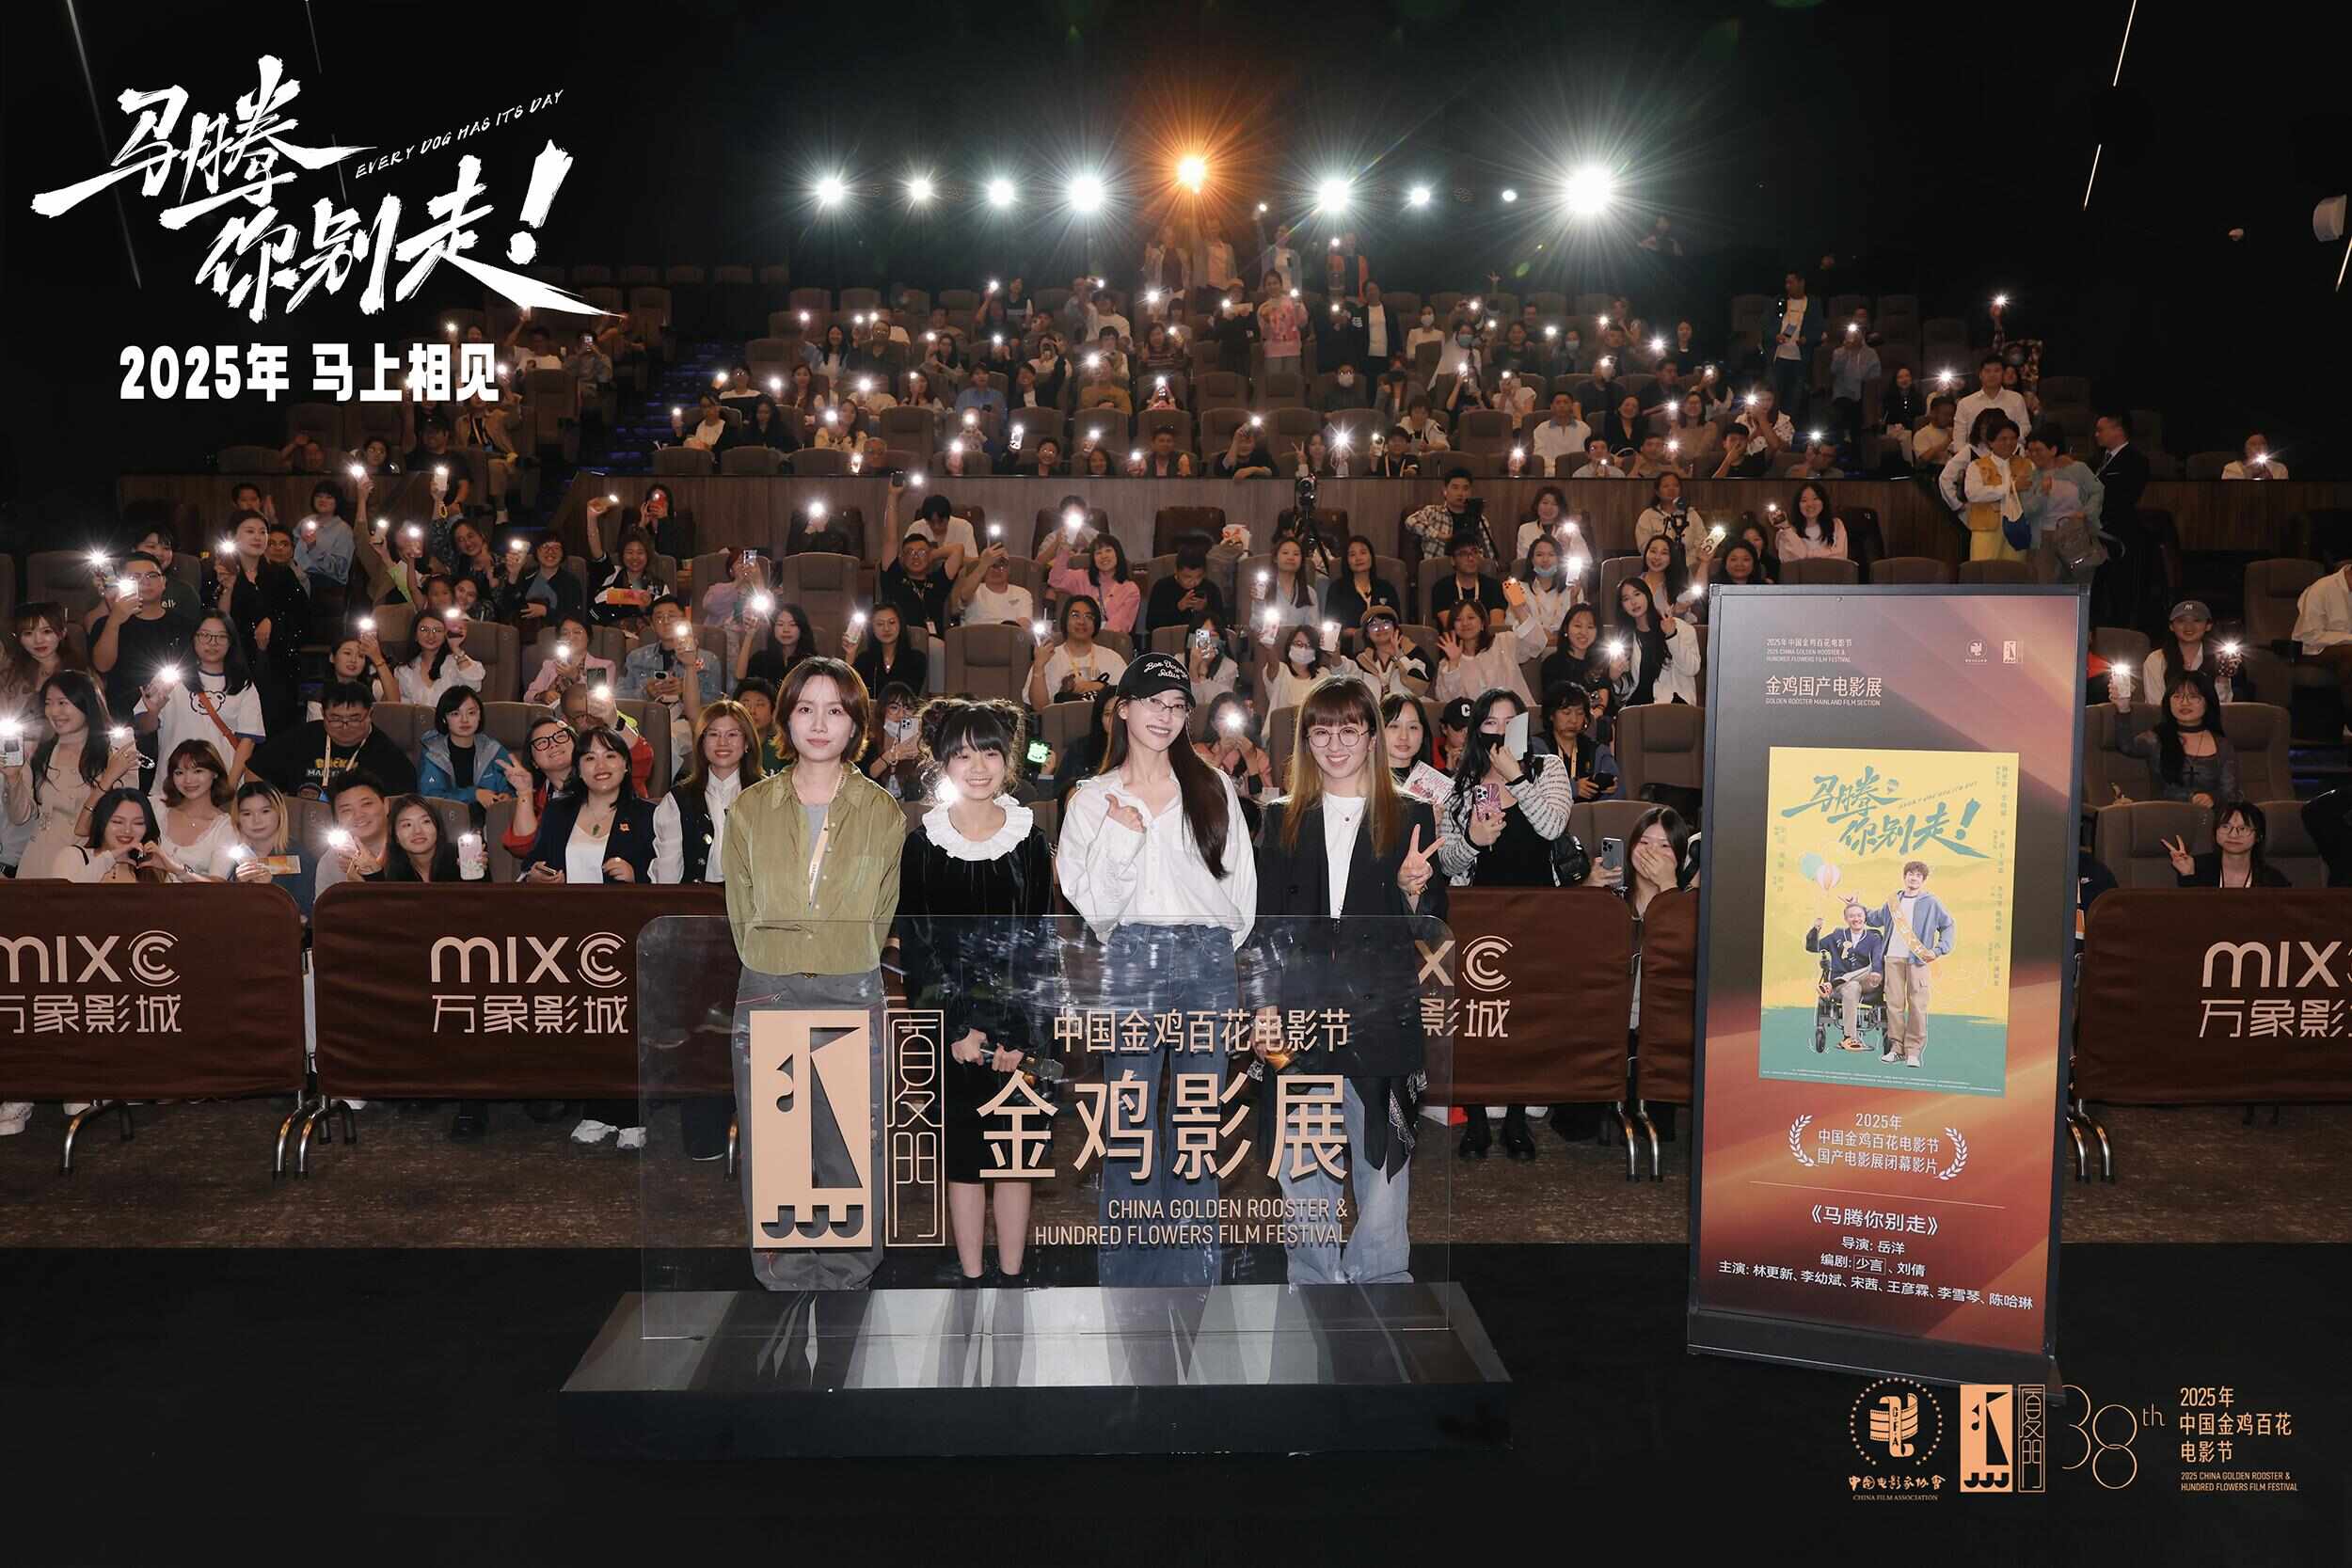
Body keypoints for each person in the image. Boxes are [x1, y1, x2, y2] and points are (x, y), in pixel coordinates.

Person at [1058, 655, 1257, 1285]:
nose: (1165, 716)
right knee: (1130, 1121)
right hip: (1131, 958)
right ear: (1123, 708)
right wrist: (1122, 836)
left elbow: (1242, 892)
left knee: (1197, 1122)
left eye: (1177, 706)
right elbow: (1093, 909)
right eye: (1152, 702)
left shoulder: (1212, 785)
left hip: (1207, 958)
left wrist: (1212, 949)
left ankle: (1193, 1275)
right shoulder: (1092, 799)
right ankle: (1129, 1277)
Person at [1247, 677, 1443, 1285]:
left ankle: (1380, 1282)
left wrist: (1413, 891)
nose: (1335, 745)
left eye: (1349, 731)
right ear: (1306, 741)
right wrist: (1262, 1007)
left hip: (1382, 1017)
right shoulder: (1282, 816)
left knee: (1382, 1167)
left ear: (1371, 738)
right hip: (1300, 1016)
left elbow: (1433, 926)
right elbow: (1263, 927)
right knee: (1303, 1164)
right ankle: (1312, 1282)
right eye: (1322, 732)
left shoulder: (1409, 813)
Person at [718, 658, 905, 1289]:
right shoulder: (750, 808)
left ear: (856, 724)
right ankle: (785, 1268)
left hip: (850, 985)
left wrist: (836, 953)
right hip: (769, 987)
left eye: (835, 710)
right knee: (775, 1143)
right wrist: (779, 958)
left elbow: (882, 910)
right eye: (805, 709)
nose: (819, 723)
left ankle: (851, 1266)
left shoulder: (882, 811)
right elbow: (740, 911)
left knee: (850, 1141)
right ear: (785, 719)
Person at [892, 699, 1056, 1283]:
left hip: (1019, 1031)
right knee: (962, 1158)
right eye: (963, 754)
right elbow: (918, 946)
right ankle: (970, 1275)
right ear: (942, 762)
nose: (978, 766)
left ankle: (1011, 1275)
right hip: (952, 1032)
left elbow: (1041, 944)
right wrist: (958, 1028)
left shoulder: (1030, 840)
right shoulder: (923, 845)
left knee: (1014, 1156)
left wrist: (1019, 1035)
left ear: (1008, 760)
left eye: (989, 752)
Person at [1433, 688, 1579, 1159]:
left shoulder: (1547, 769)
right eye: (1490, 723)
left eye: (1509, 722)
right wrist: (1473, 840)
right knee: (1478, 1018)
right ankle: (1476, 1118)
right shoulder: (1462, 785)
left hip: (1536, 912)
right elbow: (1448, 862)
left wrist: (1517, 777)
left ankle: (1517, 1116)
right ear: (1478, 730)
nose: (1499, 731)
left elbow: (1553, 826)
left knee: (1524, 1018)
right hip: (1479, 915)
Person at [7, 673, 143, 879]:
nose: (54, 711)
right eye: (48, 703)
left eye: (62, 703)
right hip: (39, 862)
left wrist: (109, 777)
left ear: (85, 703)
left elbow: (123, 816)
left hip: (90, 863)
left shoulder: (116, 751)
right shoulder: (37, 752)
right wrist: (13, 778)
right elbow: (20, 817)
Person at [131, 610, 262, 799]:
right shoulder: (170, 679)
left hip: (219, 786)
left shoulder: (243, 685)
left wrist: (229, 787)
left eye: (221, 637)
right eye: (205, 635)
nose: (212, 643)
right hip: (172, 785)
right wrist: (153, 712)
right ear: (193, 638)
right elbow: (143, 727)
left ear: (231, 642)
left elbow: (247, 743)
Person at [204, 510, 309, 731]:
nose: (258, 537)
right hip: (234, 658)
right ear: (232, 536)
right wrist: (228, 588)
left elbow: (302, 616)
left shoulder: (282, 574)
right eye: (250, 531)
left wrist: (273, 622)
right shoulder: (216, 573)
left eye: (262, 532)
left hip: (277, 659)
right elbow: (216, 621)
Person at [1850, 862, 1955, 1069]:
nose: (1913, 878)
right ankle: (1896, 1049)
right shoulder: (1893, 901)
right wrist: (1856, 905)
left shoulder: (1931, 902)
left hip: (1918, 960)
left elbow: (1948, 925)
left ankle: (1913, 1052)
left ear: (1923, 880)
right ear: (1904, 877)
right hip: (1892, 959)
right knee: (1894, 1005)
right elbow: (1875, 918)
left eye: (1918, 875)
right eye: (1910, 874)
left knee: (1917, 1005)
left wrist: (1938, 949)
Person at [87, 550, 196, 736]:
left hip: (177, 717)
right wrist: (114, 620)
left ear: (164, 582)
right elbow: (102, 666)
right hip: (124, 721)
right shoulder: (107, 624)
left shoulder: (185, 625)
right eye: (134, 577)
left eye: (152, 575)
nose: (145, 582)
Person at [2110, 669, 2238, 808]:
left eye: (2193, 697)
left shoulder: (2222, 745)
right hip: (2164, 815)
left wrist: (2213, 798)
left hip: (2208, 817)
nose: (2184, 703)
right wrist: (2123, 708)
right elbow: (2126, 746)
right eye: (2177, 697)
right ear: (2168, 702)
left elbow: (2231, 793)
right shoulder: (2157, 738)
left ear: (2207, 702)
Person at [415, 687, 516, 823]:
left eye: (471, 713)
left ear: (480, 716)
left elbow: (512, 787)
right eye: (455, 714)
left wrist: (508, 797)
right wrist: (474, 794)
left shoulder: (493, 750)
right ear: (444, 719)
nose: (464, 720)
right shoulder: (433, 753)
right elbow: (430, 798)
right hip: (446, 824)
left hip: (491, 823)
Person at [1943, 415, 2031, 563]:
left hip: (2018, 528)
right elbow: (1974, 493)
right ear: (1991, 442)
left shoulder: (2026, 464)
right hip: (1987, 528)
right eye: (2003, 439)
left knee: (2015, 571)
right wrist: (2010, 488)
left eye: (2013, 438)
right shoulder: (1977, 466)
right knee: (1983, 571)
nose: (2009, 443)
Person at [149, 739, 242, 879]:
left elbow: (217, 884)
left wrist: (176, 869)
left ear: (215, 773)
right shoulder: (155, 806)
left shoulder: (225, 827)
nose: (188, 780)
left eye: (198, 771)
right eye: (179, 773)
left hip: (196, 894)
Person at [1806, 902, 1886, 1053]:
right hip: (1844, 987)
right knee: (1852, 986)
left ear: (1865, 917)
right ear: (1846, 919)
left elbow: (1877, 959)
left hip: (1868, 981)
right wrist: (1815, 930)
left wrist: (1876, 971)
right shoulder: (1836, 936)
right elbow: (1813, 947)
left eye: (1859, 915)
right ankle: (1849, 1038)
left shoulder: (1874, 938)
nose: (1856, 919)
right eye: (1852, 916)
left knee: (1874, 967)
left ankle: (1832, 983)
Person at [1608, 578, 1700, 707]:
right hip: (1636, 706)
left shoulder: (1681, 628)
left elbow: (1691, 668)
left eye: (1637, 594)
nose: (1633, 602)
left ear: (1648, 595)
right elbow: (1627, 687)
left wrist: (1672, 635)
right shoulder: (1624, 638)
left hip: (1671, 705)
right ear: (1622, 606)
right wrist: (1615, 678)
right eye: (1626, 599)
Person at [2161, 800, 2289, 888]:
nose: (2233, 835)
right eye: (2225, 827)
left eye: (2243, 828)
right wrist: (2188, 875)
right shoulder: (2196, 867)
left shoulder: (2273, 880)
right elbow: (2190, 913)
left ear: (2259, 836)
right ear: (2215, 832)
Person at [1028, 594, 1128, 707]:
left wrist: (1102, 687)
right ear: (1065, 620)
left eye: (1088, 616)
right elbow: (1039, 708)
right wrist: (1038, 666)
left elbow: (1127, 699)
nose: (1081, 621)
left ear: (1096, 624)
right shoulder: (1047, 657)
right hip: (1060, 718)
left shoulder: (1113, 658)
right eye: (1075, 615)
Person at [1432, 597, 1531, 709]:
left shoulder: (1504, 641)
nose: (1465, 623)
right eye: (1458, 620)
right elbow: (1451, 704)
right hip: (1476, 719)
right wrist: (1454, 664)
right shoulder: (1446, 664)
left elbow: (1536, 644)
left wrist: (1520, 611)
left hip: (1517, 715)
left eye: (1471, 618)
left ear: (1483, 622)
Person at [1043, 531, 1139, 636]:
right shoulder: (1082, 577)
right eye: (1098, 553)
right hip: (1080, 636)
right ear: (1093, 558)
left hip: (1111, 640)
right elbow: (1055, 581)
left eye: (1108, 551)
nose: (1104, 556)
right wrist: (1064, 551)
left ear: (1118, 554)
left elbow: (1120, 624)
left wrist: (1097, 640)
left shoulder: (1131, 589)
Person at [71, 788, 175, 883]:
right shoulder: (75, 856)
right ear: (101, 822)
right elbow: (68, 893)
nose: (127, 830)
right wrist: (110, 857)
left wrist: (176, 869)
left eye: (138, 823)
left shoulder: (151, 869)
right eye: (117, 822)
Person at [1540, 682, 1619, 801]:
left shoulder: (1598, 751)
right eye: (1566, 713)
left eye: (1580, 713)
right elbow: (1531, 789)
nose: (1574, 720)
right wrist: (1572, 788)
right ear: (1551, 715)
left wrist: (1610, 788)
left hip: (1591, 812)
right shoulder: (1536, 747)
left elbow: (1619, 794)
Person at [391, 610, 486, 708]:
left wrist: (455, 648)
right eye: (424, 630)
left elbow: (474, 685)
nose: (431, 635)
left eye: (437, 630)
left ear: (445, 634)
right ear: (415, 635)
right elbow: (402, 708)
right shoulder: (404, 670)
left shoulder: (456, 661)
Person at [1766, 272, 1823, 426]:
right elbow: (1766, 325)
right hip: (1779, 357)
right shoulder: (1779, 301)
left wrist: (1807, 339)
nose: (1788, 286)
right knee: (1774, 396)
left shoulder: (1813, 303)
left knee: (1795, 398)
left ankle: (1789, 430)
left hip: (1799, 359)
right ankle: (1772, 428)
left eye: (1791, 282)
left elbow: (1819, 329)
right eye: (1786, 283)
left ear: (1801, 283)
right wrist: (1775, 336)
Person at [1952, 356, 2031, 465]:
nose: (1992, 375)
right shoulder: (1965, 403)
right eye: (1987, 371)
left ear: (2003, 374)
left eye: (1997, 371)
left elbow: (2025, 426)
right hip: (1976, 458)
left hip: (2010, 456)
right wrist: (1962, 461)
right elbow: (1959, 436)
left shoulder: (2016, 399)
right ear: (1980, 375)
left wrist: (2009, 441)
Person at [1405, 467, 1492, 563]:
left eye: (1465, 489)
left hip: (1468, 567)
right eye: (1455, 488)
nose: (1460, 493)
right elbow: (1410, 521)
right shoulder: (1433, 512)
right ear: (1445, 491)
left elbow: (1489, 553)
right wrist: (1438, 535)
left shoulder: (1479, 519)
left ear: (1470, 492)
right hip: (1437, 567)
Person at [1633, 473, 1707, 574]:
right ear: (1657, 492)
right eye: (1666, 486)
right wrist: (1664, 560)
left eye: (1675, 486)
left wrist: (1684, 563)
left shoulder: (1691, 514)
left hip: (1688, 568)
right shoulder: (1648, 516)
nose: (1671, 489)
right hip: (1657, 568)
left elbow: (1701, 542)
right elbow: (1644, 547)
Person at [1774, 481, 1850, 562]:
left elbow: (1840, 556)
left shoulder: (1836, 524)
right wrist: (1787, 529)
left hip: (1831, 570)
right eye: (1804, 500)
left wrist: (1806, 554)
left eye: (1815, 498)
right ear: (1798, 505)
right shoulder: (1786, 532)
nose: (1810, 504)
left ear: (1823, 502)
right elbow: (1788, 563)